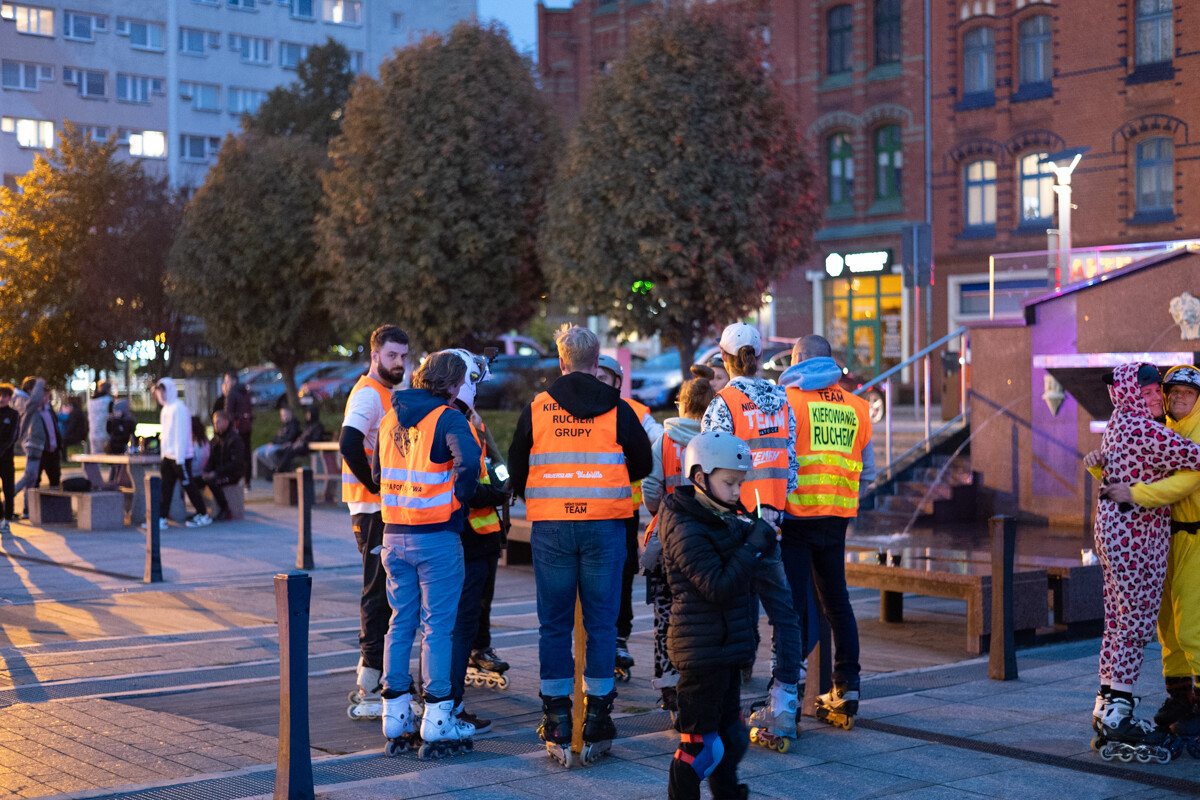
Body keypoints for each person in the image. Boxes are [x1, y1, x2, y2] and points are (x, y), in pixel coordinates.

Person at [508, 325, 652, 766]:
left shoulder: (538, 408)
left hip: (551, 526)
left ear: (561, 361)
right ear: (598, 362)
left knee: (553, 623)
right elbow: (643, 461)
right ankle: (598, 718)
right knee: (601, 624)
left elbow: (516, 463)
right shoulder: (618, 408)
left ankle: (555, 717)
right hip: (605, 525)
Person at [1086, 363, 1200, 763]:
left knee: (1127, 623)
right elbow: (1189, 460)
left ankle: (1111, 702)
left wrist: (1116, 477)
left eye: (1161, 392)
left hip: (1134, 535)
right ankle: (1126, 710)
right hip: (1140, 538)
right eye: (1153, 391)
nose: (1163, 398)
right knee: (1141, 625)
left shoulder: (1121, 422)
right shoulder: (1147, 427)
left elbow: (1128, 469)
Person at [700, 323, 804, 745]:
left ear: (724, 358)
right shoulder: (782, 398)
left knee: (730, 609)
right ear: (759, 357)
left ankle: (723, 704)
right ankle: (784, 706)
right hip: (773, 522)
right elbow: (791, 468)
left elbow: (707, 470)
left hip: (734, 523)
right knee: (784, 613)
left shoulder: (723, 403)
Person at [375, 350, 481, 758]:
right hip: (436, 535)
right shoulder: (448, 417)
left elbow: (376, 472)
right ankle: (438, 719)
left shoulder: (389, 417)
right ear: (453, 386)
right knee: (438, 627)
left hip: (393, 534)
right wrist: (460, 497)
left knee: (400, 622)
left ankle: (395, 715)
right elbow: (468, 462)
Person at [661, 431, 777, 800]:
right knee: (700, 750)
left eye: (740, 483)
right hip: (701, 652)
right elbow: (717, 585)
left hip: (724, 647)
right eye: (729, 482)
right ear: (700, 478)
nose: (736, 491)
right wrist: (754, 546)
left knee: (731, 738)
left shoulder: (722, 516)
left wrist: (757, 537)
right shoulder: (684, 525)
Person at [777, 334, 875, 731]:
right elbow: (867, 473)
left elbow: (776, 464)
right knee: (838, 603)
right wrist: (840, 503)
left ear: (798, 359)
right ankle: (846, 688)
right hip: (836, 519)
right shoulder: (858, 407)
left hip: (795, 519)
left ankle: (787, 693)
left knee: (795, 608)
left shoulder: (788, 403)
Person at [342, 325, 409, 721]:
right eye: (392, 356)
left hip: (378, 507)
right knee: (377, 590)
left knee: (385, 589)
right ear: (375, 356)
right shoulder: (369, 393)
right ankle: (369, 680)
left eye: (403, 356)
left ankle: (379, 674)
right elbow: (349, 442)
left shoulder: (388, 393)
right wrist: (373, 485)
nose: (399, 363)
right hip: (371, 510)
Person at [640, 372, 714, 718]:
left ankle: (668, 687)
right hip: (705, 542)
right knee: (701, 617)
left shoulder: (663, 443)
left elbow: (650, 490)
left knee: (665, 617)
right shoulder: (714, 441)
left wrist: (663, 512)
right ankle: (699, 683)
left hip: (667, 539)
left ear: (681, 405)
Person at [444, 350, 507, 730]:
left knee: (468, 614)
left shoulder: (473, 421)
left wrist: (503, 482)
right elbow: (461, 482)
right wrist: (494, 493)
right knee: (456, 621)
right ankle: (447, 703)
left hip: (483, 533)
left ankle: (445, 698)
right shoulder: (453, 423)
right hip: (465, 533)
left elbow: (493, 460)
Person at [596, 353, 664, 682]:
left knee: (624, 575)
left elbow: (662, 441)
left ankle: (619, 639)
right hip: (590, 509)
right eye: (595, 378)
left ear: (618, 384)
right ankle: (595, 640)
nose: (598, 385)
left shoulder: (635, 413)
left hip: (624, 510)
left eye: (604, 380)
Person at [154, 377, 212, 528]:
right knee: (166, 488)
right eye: (159, 392)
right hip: (168, 456)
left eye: (163, 391)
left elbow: (181, 435)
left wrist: (180, 459)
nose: (161, 395)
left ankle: (203, 514)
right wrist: (163, 454)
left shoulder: (179, 409)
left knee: (189, 485)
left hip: (180, 456)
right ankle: (161, 517)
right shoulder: (166, 409)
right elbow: (166, 435)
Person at [12, 378, 54, 519]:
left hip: (33, 441)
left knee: (31, 478)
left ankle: (27, 509)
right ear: (31, 390)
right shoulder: (24, 400)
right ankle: (7, 499)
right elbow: (34, 400)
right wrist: (40, 382)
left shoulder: (22, 400)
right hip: (32, 441)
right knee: (30, 475)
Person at [196, 410, 245, 521]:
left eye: (218, 422)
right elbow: (211, 459)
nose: (215, 425)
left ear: (226, 421)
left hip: (232, 474)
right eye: (214, 422)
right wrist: (206, 472)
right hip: (220, 472)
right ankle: (200, 510)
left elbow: (235, 464)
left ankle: (225, 509)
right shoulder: (216, 440)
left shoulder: (235, 440)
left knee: (213, 482)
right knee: (196, 481)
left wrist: (215, 473)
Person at [213, 371, 254, 488]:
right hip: (246, 427)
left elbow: (228, 413)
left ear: (234, 381)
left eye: (227, 381)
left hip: (236, 428)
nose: (226, 384)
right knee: (247, 454)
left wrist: (229, 428)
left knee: (234, 454)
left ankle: (232, 478)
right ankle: (248, 481)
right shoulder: (245, 392)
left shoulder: (232, 394)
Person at [253, 406, 301, 476]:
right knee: (257, 453)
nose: (282, 417)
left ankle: (276, 468)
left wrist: (285, 443)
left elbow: (291, 436)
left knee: (268, 454)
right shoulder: (284, 425)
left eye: (284, 415)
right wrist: (272, 442)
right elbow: (278, 436)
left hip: (281, 445)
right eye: (281, 415)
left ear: (290, 414)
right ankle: (273, 468)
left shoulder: (294, 424)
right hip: (275, 444)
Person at [0, 385, 19, 529]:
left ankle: (8, 517)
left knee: (8, 488)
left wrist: (3, 450)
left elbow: (13, 436)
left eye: (5, 396)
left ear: (9, 398)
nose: (1, 398)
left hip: (6, 458)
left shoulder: (13, 414)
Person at [86, 381, 113, 455]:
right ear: (108, 390)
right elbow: (112, 416)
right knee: (110, 456)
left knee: (95, 457)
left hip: (93, 433)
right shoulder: (109, 400)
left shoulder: (90, 402)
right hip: (105, 432)